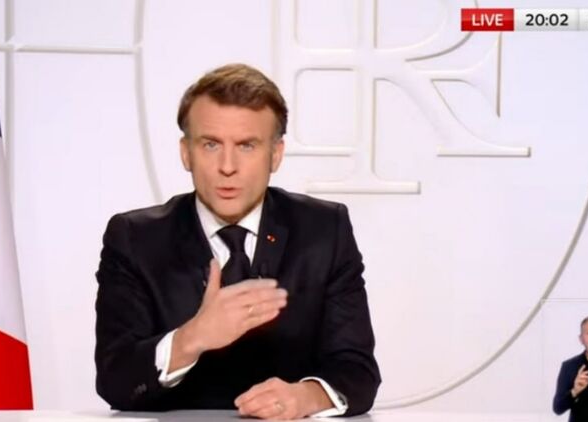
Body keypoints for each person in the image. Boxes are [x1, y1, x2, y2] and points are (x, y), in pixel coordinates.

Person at [94, 63, 381, 419]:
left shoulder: (324, 230)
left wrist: (304, 397)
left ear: (275, 154)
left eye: (247, 145)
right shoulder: (135, 238)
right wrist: (191, 338)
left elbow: (358, 372)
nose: (227, 166)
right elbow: (115, 381)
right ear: (186, 152)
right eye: (210, 144)